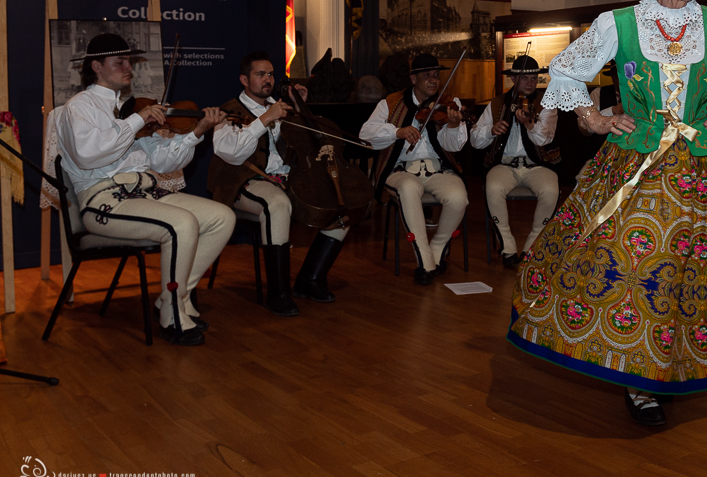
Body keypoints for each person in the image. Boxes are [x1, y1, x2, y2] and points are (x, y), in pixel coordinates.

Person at [506, 0, 707, 427]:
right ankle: (639, 382)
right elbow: (567, 72)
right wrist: (594, 118)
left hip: (701, 169)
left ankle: (671, 367)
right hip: (634, 161)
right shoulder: (621, 23)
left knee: (689, 275)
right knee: (633, 268)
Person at [56, 33, 235, 346]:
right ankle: (173, 318)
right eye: (120, 61)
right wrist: (137, 120)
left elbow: (163, 161)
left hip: (143, 193)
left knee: (221, 217)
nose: (129, 68)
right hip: (103, 201)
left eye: (129, 61)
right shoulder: (79, 107)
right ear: (97, 66)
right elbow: (89, 154)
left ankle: (172, 299)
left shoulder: (128, 109)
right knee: (181, 224)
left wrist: (196, 133)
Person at [209, 51, 350, 318]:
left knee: (340, 208)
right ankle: (279, 293)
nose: (267, 80)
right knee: (277, 205)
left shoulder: (283, 107)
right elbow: (231, 153)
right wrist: (264, 119)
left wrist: (302, 112)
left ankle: (309, 279)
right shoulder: (229, 111)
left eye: (271, 74)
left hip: (286, 179)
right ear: (244, 79)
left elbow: (307, 148)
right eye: (260, 74)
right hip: (244, 182)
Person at [360, 53, 469, 285]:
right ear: (413, 79)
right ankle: (425, 262)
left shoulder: (450, 103)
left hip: (437, 170)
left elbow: (455, 145)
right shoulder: (389, 102)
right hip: (401, 171)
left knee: (459, 196)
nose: (433, 80)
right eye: (427, 76)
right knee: (409, 189)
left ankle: (438, 248)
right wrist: (396, 132)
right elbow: (365, 134)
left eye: (436, 76)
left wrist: (453, 124)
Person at [470, 55, 559, 268]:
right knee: (492, 187)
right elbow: (474, 140)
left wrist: (530, 124)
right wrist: (490, 131)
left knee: (551, 190)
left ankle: (532, 246)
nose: (530, 82)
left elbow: (546, 137)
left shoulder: (546, 103)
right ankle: (507, 246)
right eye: (524, 78)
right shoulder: (497, 102)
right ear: (512, 79)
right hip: (505, 164)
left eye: (534, 78)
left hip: (537, 164)